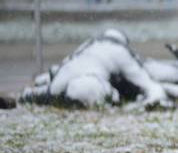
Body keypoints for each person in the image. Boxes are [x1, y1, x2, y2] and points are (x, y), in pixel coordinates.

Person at [21, 29, 169, 108]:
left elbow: (65, 64)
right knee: (112, 95)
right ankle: (61, 98)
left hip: (63, 77)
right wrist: (153, 96)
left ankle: (30, 95)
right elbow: (142, 80)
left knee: (52, 94)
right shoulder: (119, 51)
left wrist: (45, 79)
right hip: (89, 82)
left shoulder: (89, 44)